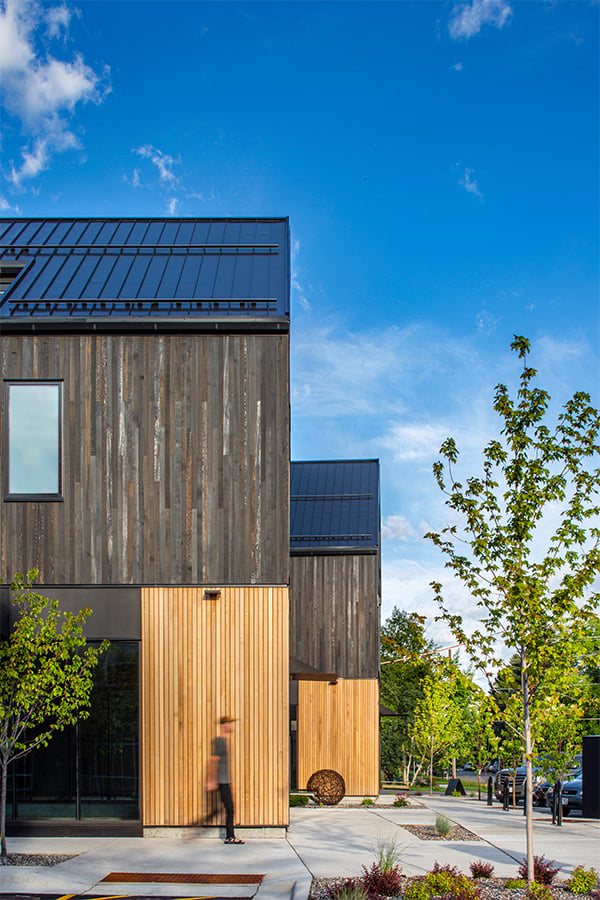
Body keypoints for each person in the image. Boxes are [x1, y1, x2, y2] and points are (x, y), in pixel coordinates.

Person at [206, 716, 245, 844]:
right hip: (221, 781)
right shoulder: (221, 742)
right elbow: (213, 760)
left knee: (226, 809)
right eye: (229, 723)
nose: (232, 726)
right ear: (224, 725)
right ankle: (230, 836)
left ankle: (230, 836)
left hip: (224, 781)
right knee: (229, 808)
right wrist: (211, 781)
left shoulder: (224, 741)